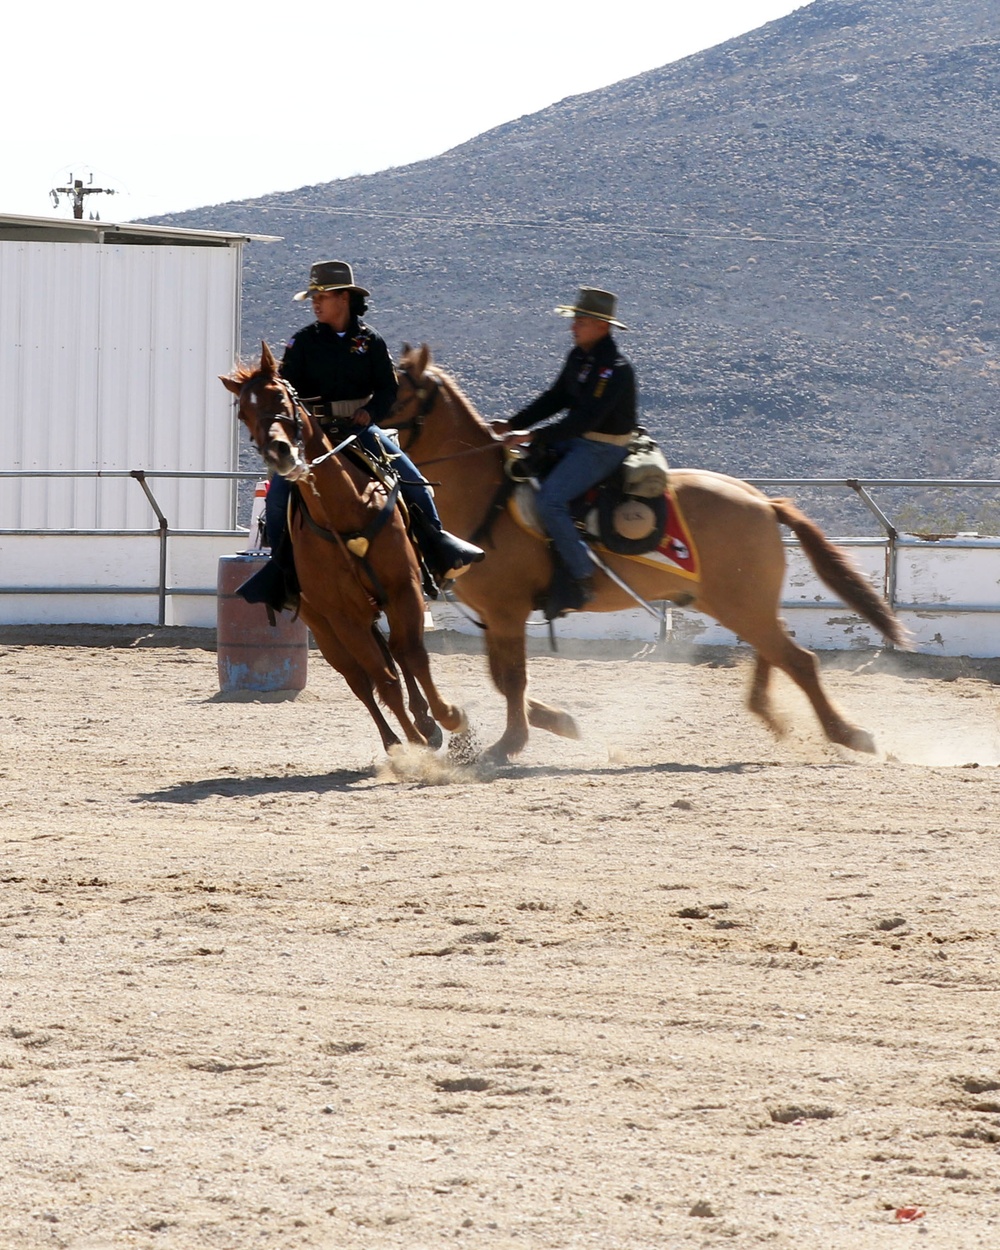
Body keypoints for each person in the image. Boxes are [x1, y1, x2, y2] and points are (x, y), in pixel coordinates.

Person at [264, 260, 483, 593]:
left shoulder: (371, 341)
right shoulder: (302, 343)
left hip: (359, 429)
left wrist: (372, 411)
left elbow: (387, 389)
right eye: (313, 297)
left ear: (345, 298)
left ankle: (438, 552)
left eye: (322, 296)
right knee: (278, 494)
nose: (316, 303)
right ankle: (277, 567)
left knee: (415, 483)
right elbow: (286, 391)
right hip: (316, 432)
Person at [504, 286, 638, 611]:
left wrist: (534, 437)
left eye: (581, 320)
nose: (573, 326)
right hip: (579, 440)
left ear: (602, 326)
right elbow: (556, 398)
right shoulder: (580, 358)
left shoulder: (614, 369)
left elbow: (585, 419)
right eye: (575, 319)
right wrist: (511, 425)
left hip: (602, 449)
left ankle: (582, 574)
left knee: (550, 501)